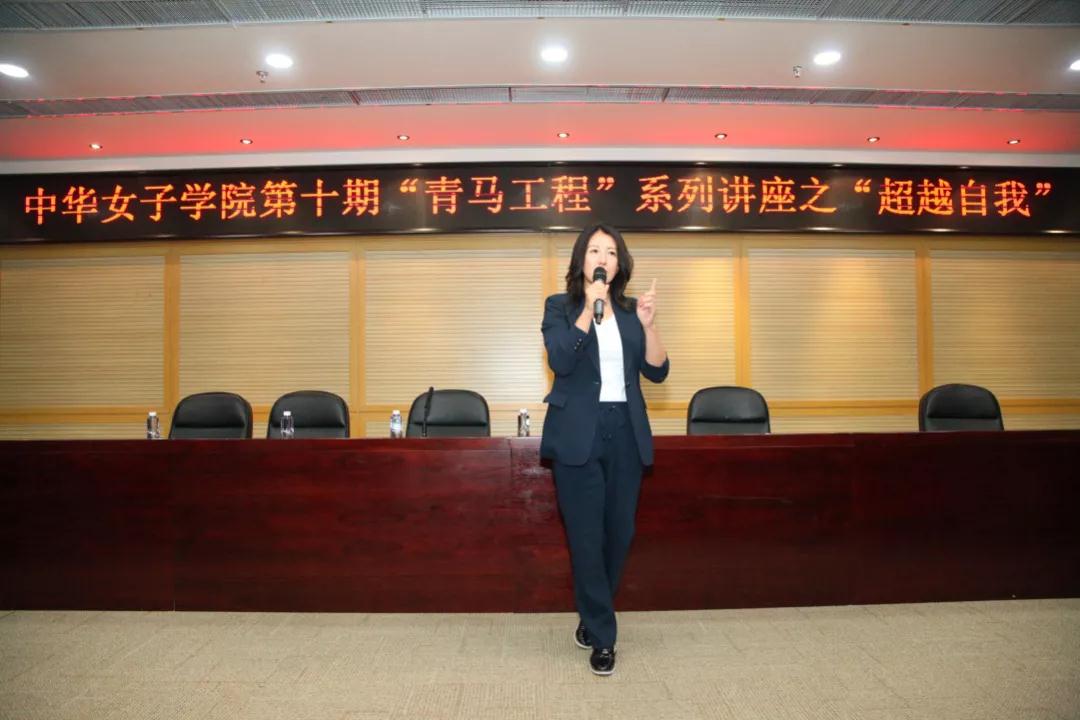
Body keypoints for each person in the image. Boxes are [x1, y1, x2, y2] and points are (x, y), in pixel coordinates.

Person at [540, 222, 669, 676]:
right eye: (594, 251)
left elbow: (658, 371)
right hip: (579, 431)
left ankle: (592, 614)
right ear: (582, 260)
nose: (602, 258)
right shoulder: (559, 307)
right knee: (586, 538)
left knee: (620, 533)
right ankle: (603, 635)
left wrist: (649, 327)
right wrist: (588, 309)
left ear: (620, 263)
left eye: (611, 252)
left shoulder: (633, 312)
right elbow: (561, 359)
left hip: (625, 430)